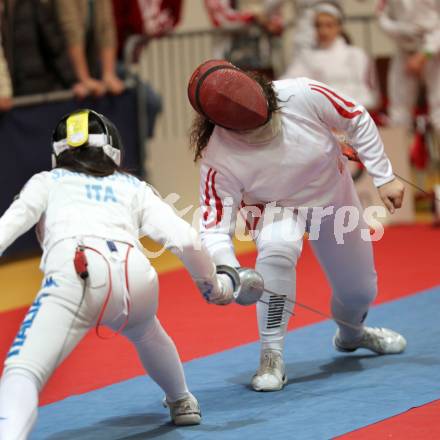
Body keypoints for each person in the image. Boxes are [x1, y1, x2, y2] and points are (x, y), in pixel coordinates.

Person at [0, 109, 260, 438]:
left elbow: (4, 231)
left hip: (77, 272)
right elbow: (186, 239)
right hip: (135, 274)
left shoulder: (46, 182)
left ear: (58, 152)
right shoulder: (132, 186)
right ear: (113, 149)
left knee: (22, 371)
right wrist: (217, 287)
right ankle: (182, 399)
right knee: (146, 330)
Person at [188, 60, 407, 392]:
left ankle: (351, 336)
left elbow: (356, 117)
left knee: (360, 291)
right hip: (275, 208)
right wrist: (230, 270)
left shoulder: (301, 93)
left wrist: (385, 176)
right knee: (278, 248)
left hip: (332, 196)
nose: (265, 131)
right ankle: (271, 355)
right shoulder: (218, 156)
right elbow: (215, 226)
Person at [377, 0, 440, 224]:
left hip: (434, 46)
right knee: (398, 118)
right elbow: (382, 17)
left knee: (439, 115)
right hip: (404, 49)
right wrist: (403, 33)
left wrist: (426, 53)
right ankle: (394, 188)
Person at [282, 2, 378, 110]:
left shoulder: (356, 55)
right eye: (318, 25)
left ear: (339, 27)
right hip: (323, 113)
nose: (323, 31)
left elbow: (368, 92)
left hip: (356, 111)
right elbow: (287, 83)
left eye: (329, 25)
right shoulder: (308, 58)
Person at [55, 0, 125, 98]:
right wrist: (84, 79)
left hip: (92, 63)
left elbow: (106, 27)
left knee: (146, 99)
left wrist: (109, 74)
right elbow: (71, 31)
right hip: (61, 67)